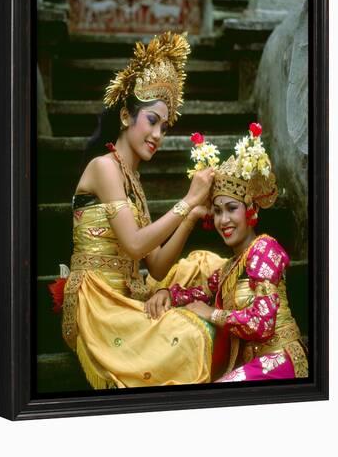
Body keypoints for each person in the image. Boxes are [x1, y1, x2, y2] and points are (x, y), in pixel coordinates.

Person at [61, 32, 224, 389]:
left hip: (130, 289)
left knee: (205, 265)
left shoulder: (132, 179)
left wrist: (193, 214)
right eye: (152, 120)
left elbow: (157, 264)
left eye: (164, 127)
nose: (158, 134)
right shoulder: (104, 167)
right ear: (125, 115)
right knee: (190, 335)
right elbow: (135, 246)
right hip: (100, 301)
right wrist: (187, 200)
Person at [145, 123, 308, 382]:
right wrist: (167, 292)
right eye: (218, 211)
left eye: (232, 208)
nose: (223, 220)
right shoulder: (230, 267)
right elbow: (198, 294)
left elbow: (262, 324)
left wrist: (212, 314)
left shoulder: (265, 249)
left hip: (280, 360)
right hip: (252, 365)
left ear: (250, 210)